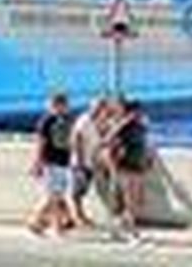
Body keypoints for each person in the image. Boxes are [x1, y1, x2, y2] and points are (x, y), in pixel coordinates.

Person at [28, 90, 75, 236]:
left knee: (57, 195)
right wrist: (37, 162)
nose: (64, 107)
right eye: (62, 104)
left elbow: (71, 142)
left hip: (63, 162)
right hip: (51, 162)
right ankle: (56, 226)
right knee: (53, 196)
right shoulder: (47, 121)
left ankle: (36, 222)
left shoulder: (66, 120)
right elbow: (41, 142)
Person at [107, 97, 149, 242]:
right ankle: (132, 232)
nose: (139, 113)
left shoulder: (141, 126)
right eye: (136, 110)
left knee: (136, 200)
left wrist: (146, 160)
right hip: (125, 166)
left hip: (138, 166)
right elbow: (109, 139)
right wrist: (117, 153)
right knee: (130, 200)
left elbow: (144, 145)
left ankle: (118, 227)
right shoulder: (125, 126)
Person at [68, 96, 106, 227]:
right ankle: (78, 216)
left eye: (102, 107)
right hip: (81, 162)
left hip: (89, 162)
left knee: (82, 190)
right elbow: (76, 138)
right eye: (99, 107)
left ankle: (77, 215)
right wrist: (79, 161)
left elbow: (98, 142)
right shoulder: (84, 120)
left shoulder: (97, 122)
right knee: (77, 191)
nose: (101, 110)